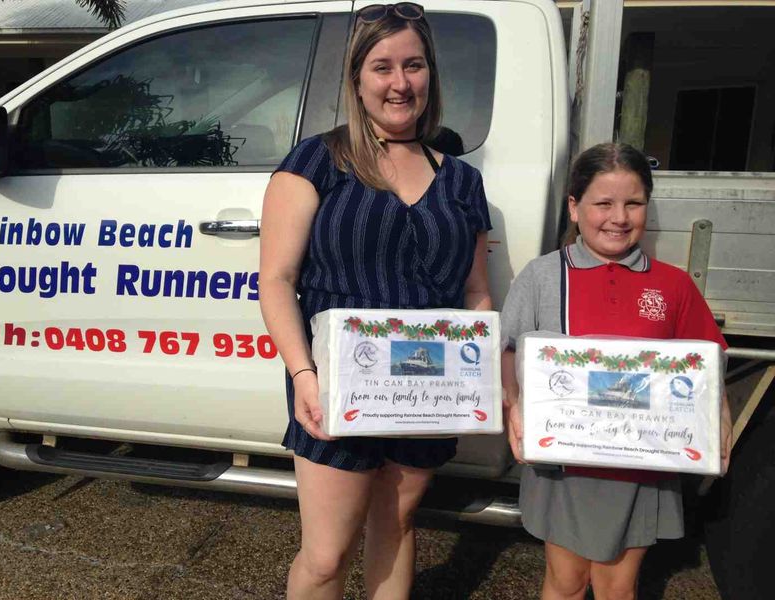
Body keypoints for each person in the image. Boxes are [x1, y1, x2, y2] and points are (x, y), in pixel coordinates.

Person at [258, 3, 492, 598]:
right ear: (358, 79)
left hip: (426, 384)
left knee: (398, 525)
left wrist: (479, 375)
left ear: (430, 75)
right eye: (382, 66)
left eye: (413, 65)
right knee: (327, 554)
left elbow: (475, 292)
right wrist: (304, 375)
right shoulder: (317, 161)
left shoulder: (463, 181)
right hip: (338, 383)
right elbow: (277, 281)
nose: (400, 82)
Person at [500, 142, 732, 600]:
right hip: (564, 463)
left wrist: (718, 422)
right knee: (566, 582)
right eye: (603, 203)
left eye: (634, 203)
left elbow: (708, 361)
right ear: (574, 206)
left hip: (641, 464)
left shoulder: (673, 284)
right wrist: (515, 404)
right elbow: (508, 349)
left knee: (616, 587)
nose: (618, 217)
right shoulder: (544, 276)